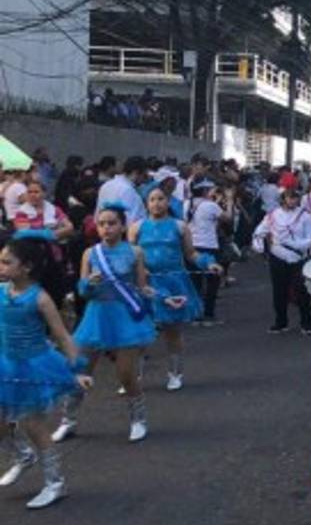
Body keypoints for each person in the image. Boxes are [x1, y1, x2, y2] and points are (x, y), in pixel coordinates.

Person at [0, 237, 91, 508]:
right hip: (5, 363)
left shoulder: (40, 298)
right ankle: (23, 456)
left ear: (26, 267)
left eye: (7, 262)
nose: (1, 266)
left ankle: (55, 483)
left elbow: (62, 335)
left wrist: (77, 369)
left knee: (33, 425)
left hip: (34, 365)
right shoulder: (1, 291)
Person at [57, 202, 158, 443]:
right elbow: (82, 291)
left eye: (112, 223)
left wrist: (152, 294)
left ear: (123, 226)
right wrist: (89, 283)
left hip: (125, 318)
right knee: (80, 370)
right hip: (96, 316)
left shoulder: (135, 252)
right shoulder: (90, 254)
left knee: (125, 374)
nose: (106, 228)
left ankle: (138, 419)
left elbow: (141, 286)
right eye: (101, 224)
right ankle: (68, 421)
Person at [131, 187, 222, 391]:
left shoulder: (180, 226)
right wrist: (139, 270)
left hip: (174, 283)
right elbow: (129, 255)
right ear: (146, 203)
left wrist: (208, 263)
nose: (156, 203)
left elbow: (191, 254)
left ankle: (175, 373)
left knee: (173, 331)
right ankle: (133, 377)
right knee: (141, 331)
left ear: (168, 201)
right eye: (152, 199)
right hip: (145, 283)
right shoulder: (137, 227)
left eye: (160, 199)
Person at [251, 188, 311, 335]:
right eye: (289, 197)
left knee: (302, 291)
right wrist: (260, 246)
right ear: (283, 199)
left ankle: (306, 323)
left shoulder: (305, 215)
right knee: (279, 292)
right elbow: (259, 232)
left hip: (298, 258)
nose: (292, 200)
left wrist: (297, 245)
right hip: (278, 257)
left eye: (295, 197)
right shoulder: (273, 215)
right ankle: (281, 322)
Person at [11, 177, 74, 308]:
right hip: (32, 259)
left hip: (54, 256)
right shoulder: (21, 212)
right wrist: (51, 232)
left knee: (55, 291)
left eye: (36, 191)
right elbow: (24, 232)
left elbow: (69, 227)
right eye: (30, 192)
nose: (33, 195)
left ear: (44, 193)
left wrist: (49, 234)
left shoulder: (54, 209)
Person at [187, 178, 229, 326]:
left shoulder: (187, 203)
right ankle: (208, 314)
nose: (213, 192)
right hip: (209, 245)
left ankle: (195, 315)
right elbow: (227, 218)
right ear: (205, 190)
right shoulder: (210, 205)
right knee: (212, 282)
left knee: (195, 282)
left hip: (191, 246)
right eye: (211, 189)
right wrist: (229, 200)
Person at [95, 156, 147, 223]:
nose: (144, 180)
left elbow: (97, 216)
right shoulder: (129, 191)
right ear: (136, 173)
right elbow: (131, 221)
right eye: (144, 175)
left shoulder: (105, 185)